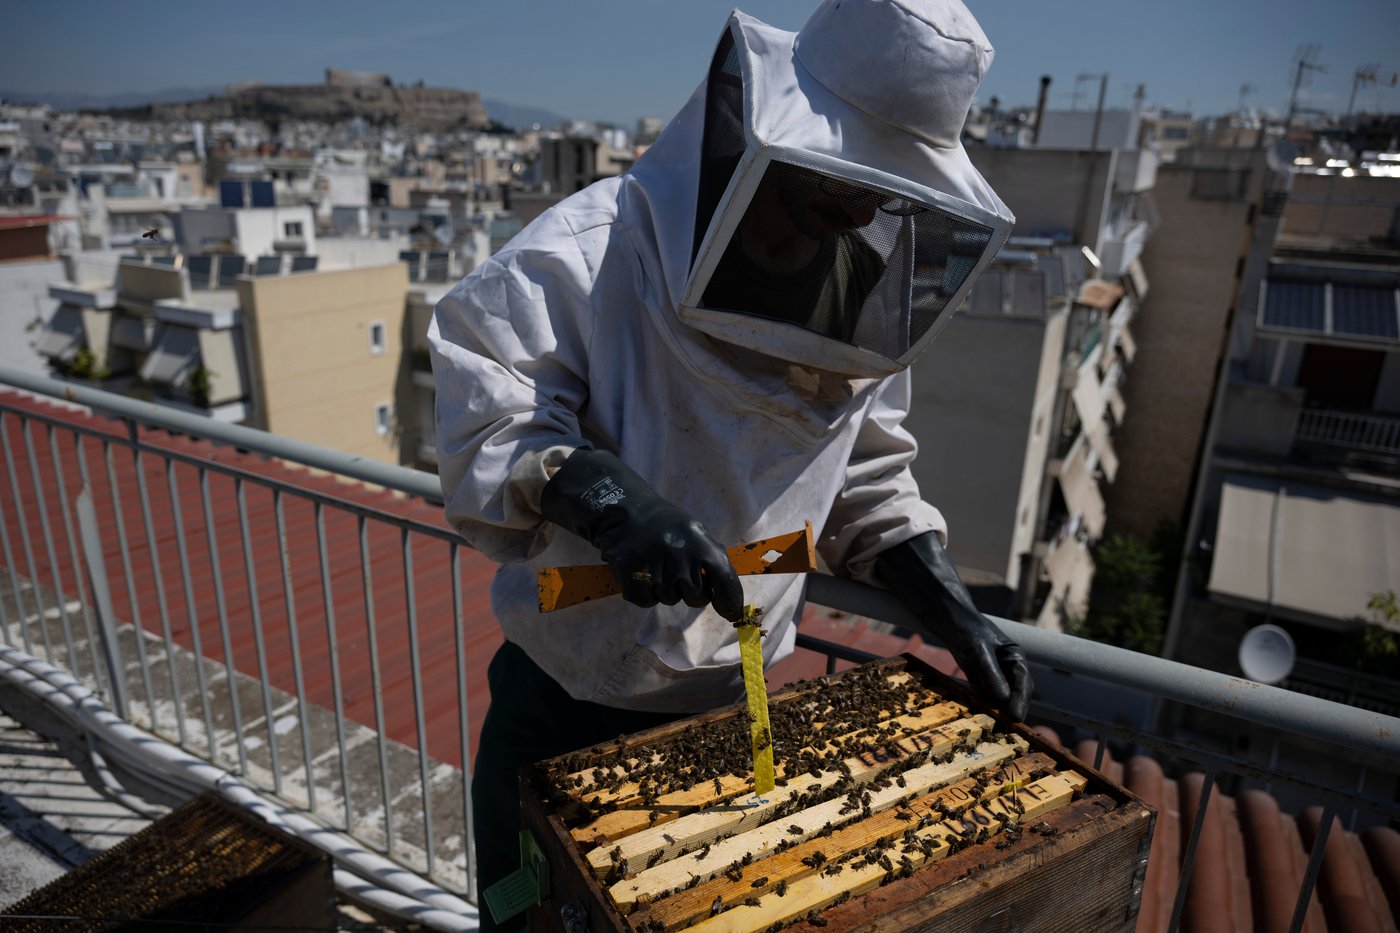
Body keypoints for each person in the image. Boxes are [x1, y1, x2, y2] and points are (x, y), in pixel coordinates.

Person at [428, 1, 1032, 926]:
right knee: (525, 908)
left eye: (874, 197)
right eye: (833, 186)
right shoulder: (588, 255)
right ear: (758, 139)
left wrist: (944, 595)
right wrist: (611, 500)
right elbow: (492, 414)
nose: (851, 218)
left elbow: (864, 476)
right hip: (563, 696)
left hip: (729, 702)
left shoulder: (857, 304)